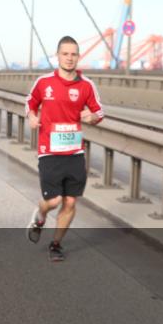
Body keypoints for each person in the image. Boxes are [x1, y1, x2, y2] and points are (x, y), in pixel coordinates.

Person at [26, 36, 105, 262]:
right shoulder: (44, 83)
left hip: (74, 151)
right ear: (57, 56)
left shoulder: (86, 85)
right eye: (65, 54)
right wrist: (32, 116)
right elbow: (30, 102)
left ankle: (56, 244)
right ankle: (40, 217)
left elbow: (100, 112)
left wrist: (92, 116)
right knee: (53, 201)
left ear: (78, 57)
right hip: (49, 150)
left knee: (70, 202)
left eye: (73, 54)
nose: (69, 58)